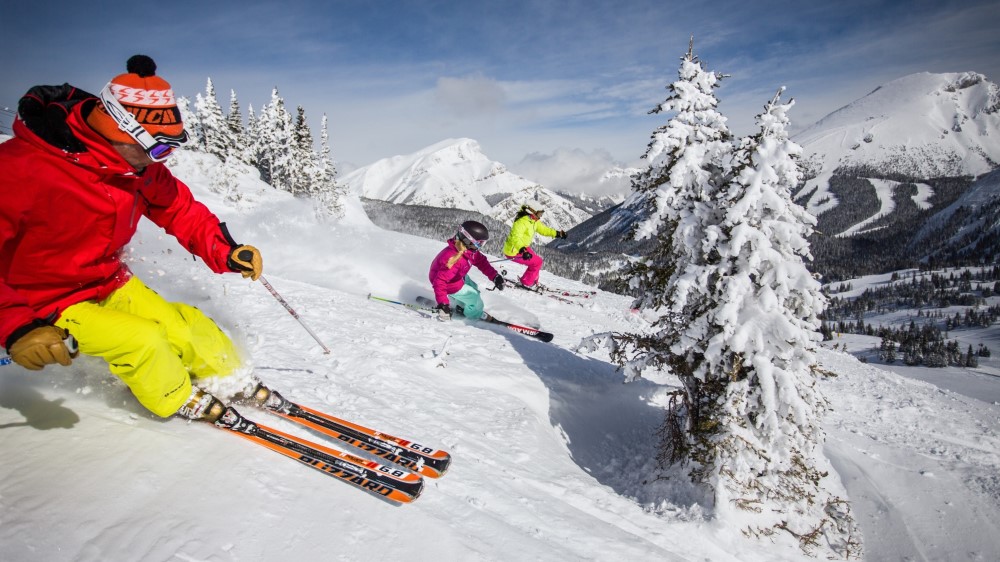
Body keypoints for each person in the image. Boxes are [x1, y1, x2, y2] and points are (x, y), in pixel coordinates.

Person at [0, 55, 263, 424]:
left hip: (107, 282)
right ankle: (176, 397)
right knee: (142, 341)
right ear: (120, 131)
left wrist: (226, 250)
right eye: (158, 148)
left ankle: (231, 375)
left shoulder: (136, 167)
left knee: (185, 325)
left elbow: (178, 208)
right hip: (44, 301)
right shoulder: (19, 169)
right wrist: (16, 327)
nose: (163, 159)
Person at [429, 220, 504, 321]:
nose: (481, 246)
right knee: (475, 298)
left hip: (456, 277)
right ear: (469, 240)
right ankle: (474, 314)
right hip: (448, 284)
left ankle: (461, 305)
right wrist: (443, 304)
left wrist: (494, 276)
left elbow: (481, 262)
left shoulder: (468, 251)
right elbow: (439, 282)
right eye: (480, 243)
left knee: (473, 287)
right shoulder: (453, 258)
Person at [501, 200, 566, 289]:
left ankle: (533, 280)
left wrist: (558, 234)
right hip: (513, 250)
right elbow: (514, 237)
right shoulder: (521, 222)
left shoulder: (534, 221)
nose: (540, 217)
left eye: (541, 214)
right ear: (532, 211)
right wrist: (522, 250)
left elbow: (543, 230)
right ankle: (527, 282)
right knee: (537, 262)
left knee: (536, 261)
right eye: (539, 214)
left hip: (522, 247)